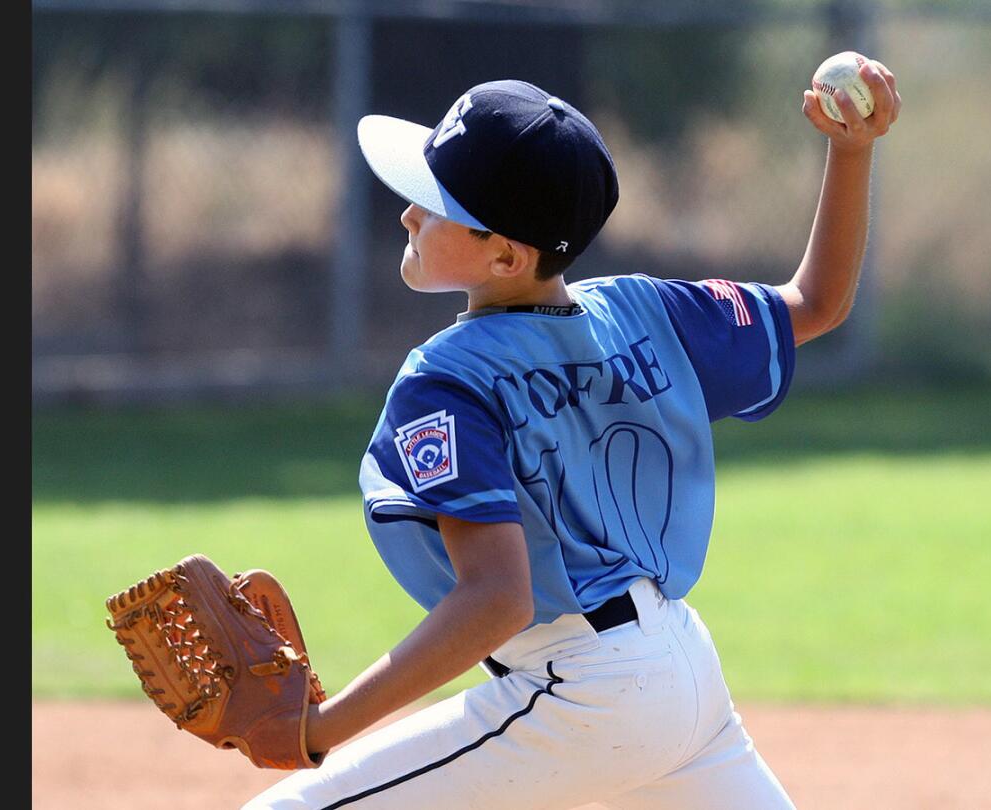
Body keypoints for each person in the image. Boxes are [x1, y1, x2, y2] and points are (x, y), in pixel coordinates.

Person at [244, 65, 900, 810]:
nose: (407, 216)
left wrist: (323, 727)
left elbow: (497, 601)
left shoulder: (445, 380)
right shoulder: (646, 312)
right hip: (681, 671)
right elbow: (817, 302)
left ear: (505, 258)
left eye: (434, 204)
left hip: (583, 691)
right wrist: (852, 153)